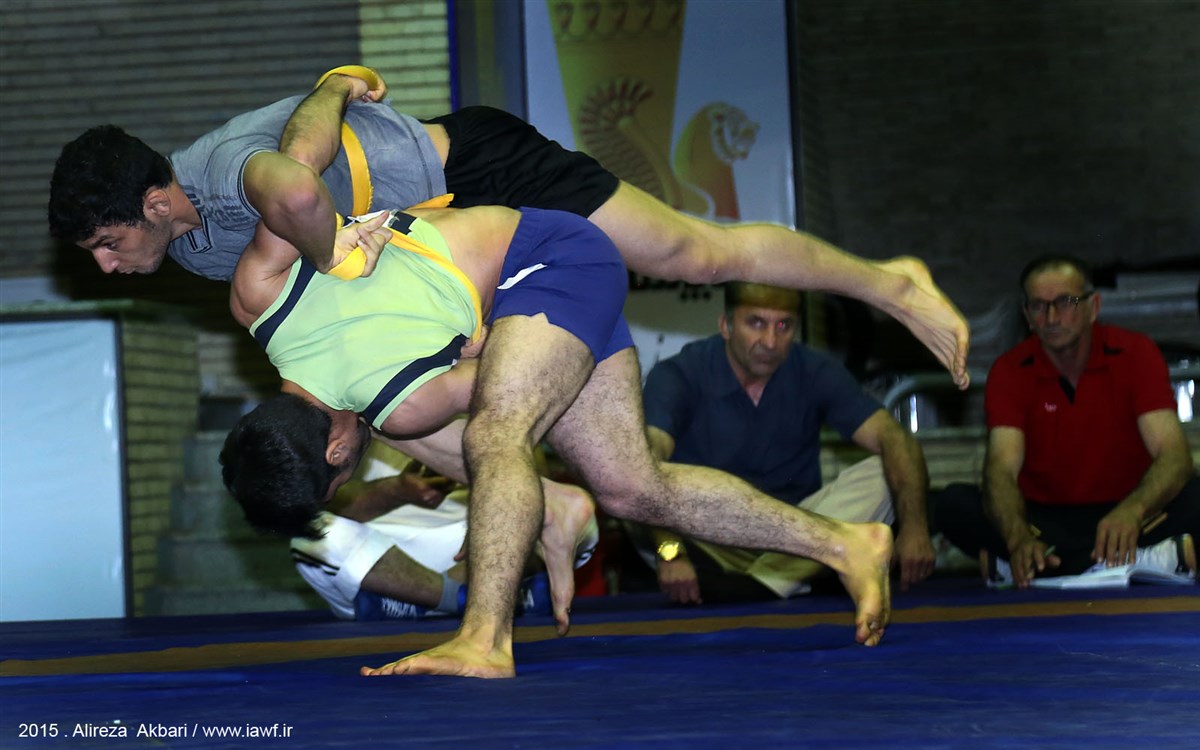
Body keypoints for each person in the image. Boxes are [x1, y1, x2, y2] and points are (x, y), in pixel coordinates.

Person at [220, 203, 894, 678]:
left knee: (496, 432)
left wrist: (342, 88)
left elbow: (504, 387)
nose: (349, 477)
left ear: (336, 454)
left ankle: (485, 638)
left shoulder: (397, 403)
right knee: (633, 486)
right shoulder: (262, 306)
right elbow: (285, 183)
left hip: (541, 264)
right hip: (548, 287)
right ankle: (845, 543)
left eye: (339, 483)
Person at [47, 65, 970, 390]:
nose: (108, 266)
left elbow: (292, 189)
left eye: (106, 244)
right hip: (446, 240)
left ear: (154, 203)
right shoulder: (194, 252)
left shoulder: (215, 172)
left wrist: (329, 93)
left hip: (480, 169)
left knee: (692, 252)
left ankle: (888, 281)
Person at [634, 282, 934, 605]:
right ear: (726, 326)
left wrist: (915, 527)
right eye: (756, 323)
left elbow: (893, 437)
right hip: (711, 536)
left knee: (882, 472)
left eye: (783, 326)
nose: (770, 341)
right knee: (627, 481)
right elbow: (646, 466)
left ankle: (758, 586)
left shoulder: (813, 370)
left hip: (794, 537)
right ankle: (797, 579)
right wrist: (670, 552)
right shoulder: (680, 374)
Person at [937, 255, 1198, 588]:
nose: (1051, 317)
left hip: (1130, 511)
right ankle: (1138, 559)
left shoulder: (1135, 352)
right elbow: (1001, 469)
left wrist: (1133, 510)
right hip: (1042, 521)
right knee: (954, 504)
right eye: (1038, 306)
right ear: (1026, 315)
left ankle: (1033, 566)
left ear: (1093, 307)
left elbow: (1174, 455)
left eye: (1065, 302)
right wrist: (1018, 537)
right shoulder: (1010, 370)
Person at [290, 439, 597, 622]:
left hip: (478, 546)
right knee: (310, 532)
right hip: (384, 561)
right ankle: (485, 599)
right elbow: (327, 502)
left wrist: (490, 512)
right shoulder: (350, 404)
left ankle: (418, 606)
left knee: (573, 510)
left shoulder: (483, 386)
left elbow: (538, 489)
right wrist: (396, 491)